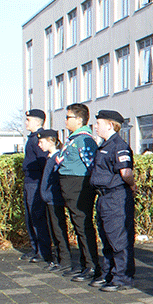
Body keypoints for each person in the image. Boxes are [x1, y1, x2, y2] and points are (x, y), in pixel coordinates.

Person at [89, 110, 136, 292]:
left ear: (110, 125)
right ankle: (109, 274)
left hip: (115, 196)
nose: (96, 126)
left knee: (118, 239)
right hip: (104, 197)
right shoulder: (104, 145)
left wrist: (132, 185)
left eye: (99, 123)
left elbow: (126, 172)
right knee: (107, 238)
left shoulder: (119, 145)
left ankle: (123, 277)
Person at [59, 104, 100, 282]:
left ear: (79, 120)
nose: (66, 120)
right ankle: (85, 264)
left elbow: (92, 165)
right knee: (78, 226)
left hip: (79, 186)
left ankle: (92, 266)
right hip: (71, 186)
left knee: (83, 226)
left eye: (68, 117)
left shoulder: (84, 139)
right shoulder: (73, 139)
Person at [37, 130, 72, 273]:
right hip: (49, 199)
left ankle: (64, 261)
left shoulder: (57, 157)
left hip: (54, 199)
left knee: (58, 230)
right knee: (53, 230)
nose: (39, 145)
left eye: (42, 141)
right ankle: (58, 259)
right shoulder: (50, 157)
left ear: (51, 141)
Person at [21, 109, 51, 264]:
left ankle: (43, 250)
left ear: (37, 121)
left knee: (37, 217)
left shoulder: (38, 139)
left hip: (35, 182)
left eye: (28, 120)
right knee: (30, 216)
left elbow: (43, 161)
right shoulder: (32, 138)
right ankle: (35, 248)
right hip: (29, 181)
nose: (26, 123)